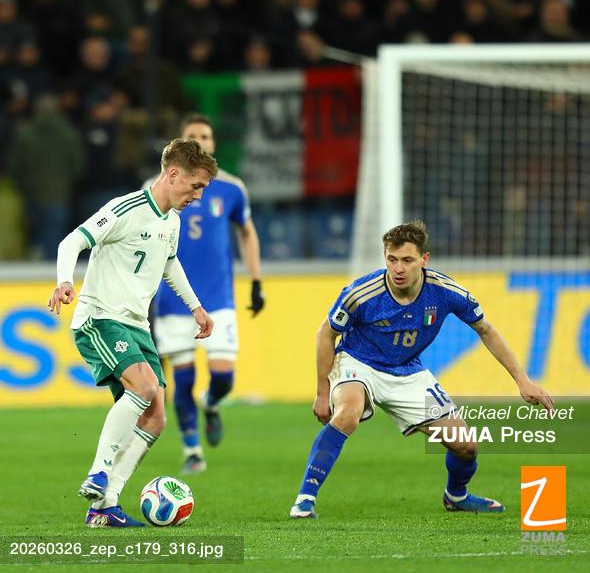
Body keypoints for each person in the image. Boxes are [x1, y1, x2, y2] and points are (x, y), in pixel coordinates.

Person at [289, 220, 554, 519]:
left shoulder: (445, 291)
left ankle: (456, 496)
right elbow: (325, 333)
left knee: (466, 446)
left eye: (407, 260)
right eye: (392, 259)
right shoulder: (361, 293)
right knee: (348, 413)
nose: (398, 268)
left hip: (408, 371)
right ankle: (305, 499)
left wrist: (523, 381)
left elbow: (486, 330)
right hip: (358, 363)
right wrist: (322, 392)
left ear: (424, 259)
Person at [48, 138, 218, 527]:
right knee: (144, 387)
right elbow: (72, 242)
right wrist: (64, 281)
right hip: (100, 318)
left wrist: (195, 307)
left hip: (137, 324)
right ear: (172, 174)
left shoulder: (171, 221)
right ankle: (98, 472)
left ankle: (104, 505)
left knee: (156, 416)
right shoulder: (125, 209)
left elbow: (169, 263)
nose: (198, 196)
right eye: (195, 186)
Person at [148, 113, 264, 475]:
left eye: (206, 136)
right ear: (181, 144)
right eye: (192, 136)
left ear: (213, 143)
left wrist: (256, 280)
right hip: (172, 300)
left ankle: (211, 404)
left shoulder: (231, 188)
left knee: (223, 376)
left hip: (217, 298)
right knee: (182, 379)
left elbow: (247, 231)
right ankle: (192, 450)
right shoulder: (159, 185)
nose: (200, 141)